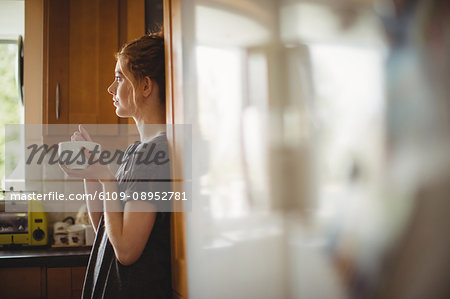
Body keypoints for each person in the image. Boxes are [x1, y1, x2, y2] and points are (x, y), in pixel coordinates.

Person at [59, 32, 172, 298]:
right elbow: (104, 227)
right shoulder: (139, 150)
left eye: (119, 77)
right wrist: (92, 172)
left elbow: (126, 250)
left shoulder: (156, 154)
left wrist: (107, 178)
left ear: (145, 86)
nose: (111, 88)